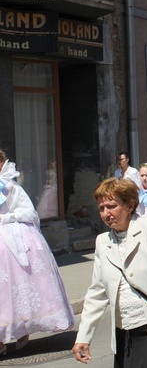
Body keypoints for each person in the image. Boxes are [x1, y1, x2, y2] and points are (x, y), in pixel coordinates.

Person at [72, 178, 147, 367]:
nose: (106, 213)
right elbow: (97, 292)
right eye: (101, 208)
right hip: (124, 337)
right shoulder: (103, 242)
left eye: (111, 206)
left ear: (129, 206)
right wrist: (83, 337)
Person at [0, 151, 74, 357]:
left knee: (18, 287)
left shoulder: (11, 187)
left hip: (14, 240)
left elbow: (29, 212)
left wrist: (7, 218)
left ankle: (20, 329)